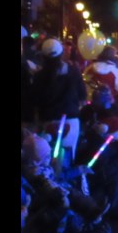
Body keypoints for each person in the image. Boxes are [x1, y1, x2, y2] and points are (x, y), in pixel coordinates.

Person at [31, 38, 87, 168]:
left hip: (48, 122)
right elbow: (82, 95)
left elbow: (34, 100)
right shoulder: (73, 71)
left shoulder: (39, 76)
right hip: (71, 120)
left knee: (47, 161)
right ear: (61, 53)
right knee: (68, 159)